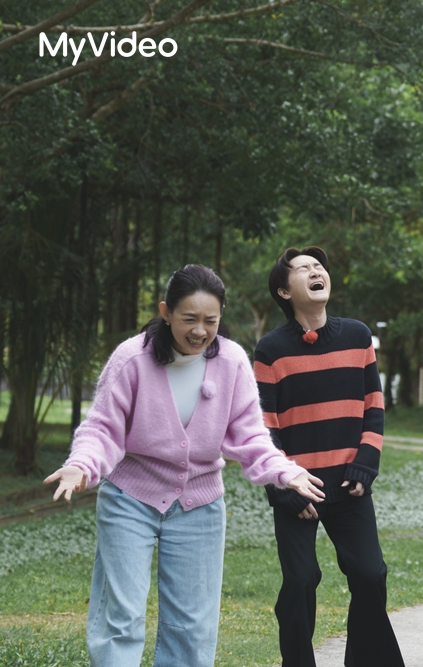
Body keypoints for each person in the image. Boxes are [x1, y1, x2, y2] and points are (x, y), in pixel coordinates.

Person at [44, 264, 325, 667]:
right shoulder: (132, 359)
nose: (199, 331)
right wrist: (81, 465)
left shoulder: (232, 362)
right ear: (166, 312)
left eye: (210, 321)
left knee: (192, 627)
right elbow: (102, 427)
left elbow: (250, 435)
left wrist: (285, 470)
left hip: (200, 505)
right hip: (130, 498)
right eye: (189, 319)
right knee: (121, 618)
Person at [253, 246, 404, 667]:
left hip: (349, 483)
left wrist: (366, 463)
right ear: (284, 292)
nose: (316, 271)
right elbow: (264, 428)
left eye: (319, 266)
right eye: (303, 268)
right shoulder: (270, 350)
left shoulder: (357, 336)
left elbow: (374, 406)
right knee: (301, 580)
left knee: (370, 574)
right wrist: (284, 487)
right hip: (297, 488)